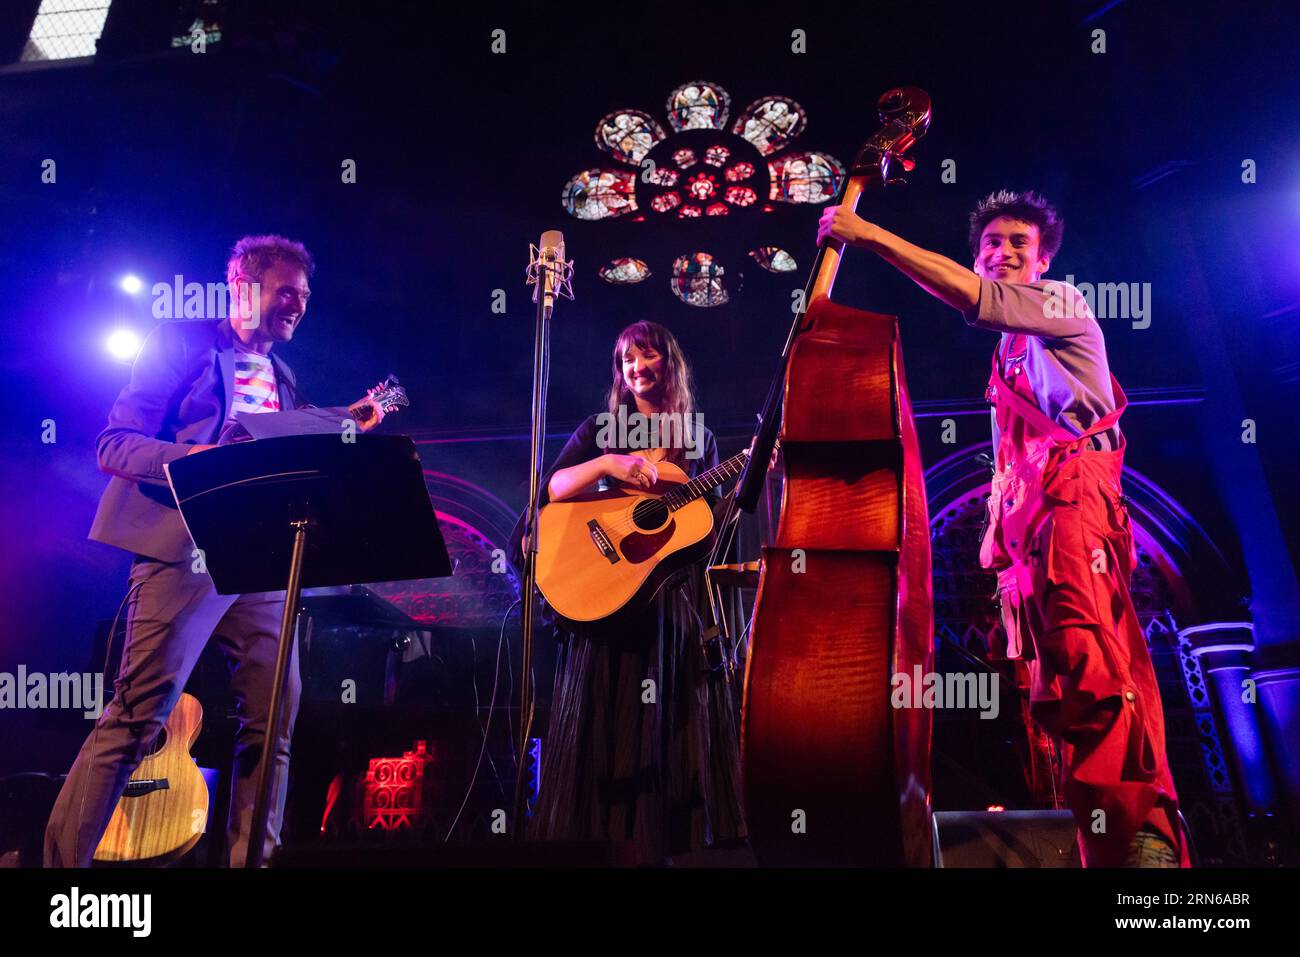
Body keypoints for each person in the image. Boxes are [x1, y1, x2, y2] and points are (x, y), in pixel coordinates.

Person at [817, 190, 1187, 867]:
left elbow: (972, 299)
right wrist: (997, 530)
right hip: (1034, 536)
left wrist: (866, 235)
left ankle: (1145, 853)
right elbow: (1013, 458)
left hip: (1076, 515)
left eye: (1019, 242)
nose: (1003, 252)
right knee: (1057, 698)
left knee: (1093, 671)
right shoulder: (1008, 360)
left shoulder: (1061, 307)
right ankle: (1101, 845)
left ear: (1044, 259)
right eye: (992, 243)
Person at [45, 234, 386, 867]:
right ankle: (64, 877)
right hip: (186, 551)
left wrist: (349, 426)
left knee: (272, 723)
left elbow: (284, 450)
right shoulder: (183, 344)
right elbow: (114, 445)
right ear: (242, 285)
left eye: (305, 295)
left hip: (258, 560)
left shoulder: (283, 375)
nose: (298, 305)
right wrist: (200, 460)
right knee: (138, 718)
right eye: (286, 290)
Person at [519, 320, 746, 864]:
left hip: (668, 609)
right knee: (604, 728)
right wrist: (607, 463)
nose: (637, 369)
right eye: (626, 361)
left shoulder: (698, 438)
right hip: (604, 606)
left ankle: (662, 850)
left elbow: (703, 527)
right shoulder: (602, 429)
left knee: (664, 730)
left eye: (647, 357)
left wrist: (747, 477)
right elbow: (553, 489)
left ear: (670, 364)